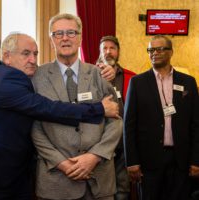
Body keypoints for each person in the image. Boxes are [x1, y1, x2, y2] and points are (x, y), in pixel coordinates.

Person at [0, 32, 120, 200]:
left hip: (14, 173)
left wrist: (109, 72)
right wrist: (99, 109)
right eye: (26, 53)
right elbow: (49, 109)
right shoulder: (6, 83)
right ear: (7, 57)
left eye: (35, 54)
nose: (33, 59)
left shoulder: (17, 76)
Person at [31, 13, 122, 200]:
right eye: (58, 34)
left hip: (99, 180)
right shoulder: (37, 77)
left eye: (71, 32)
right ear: (51, 40)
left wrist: (94, 156)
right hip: (55, 181)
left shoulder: (99, 74)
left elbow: (115, 121)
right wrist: (62, 163)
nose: (65, 38)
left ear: (80, 37)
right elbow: (34, 126)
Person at [124, 35, 199, 200]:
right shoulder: (137, 82)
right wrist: (132, 162)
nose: (154, 53)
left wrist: (196, 160)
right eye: (150, 50)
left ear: (171, 52)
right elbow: (129, 126)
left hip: (181, 161)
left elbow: (196, 125)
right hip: (149, 162)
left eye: (159, 49)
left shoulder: (188, 82)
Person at [97, 36, 136, 200]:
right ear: (99, 52)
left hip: (123, 143)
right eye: (104, 48)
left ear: (118, 52)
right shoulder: (89, 76)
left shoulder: (131, 77)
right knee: (101, 190)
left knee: (122, 189)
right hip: (99, 143)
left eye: (112, 48)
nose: (108, 52)